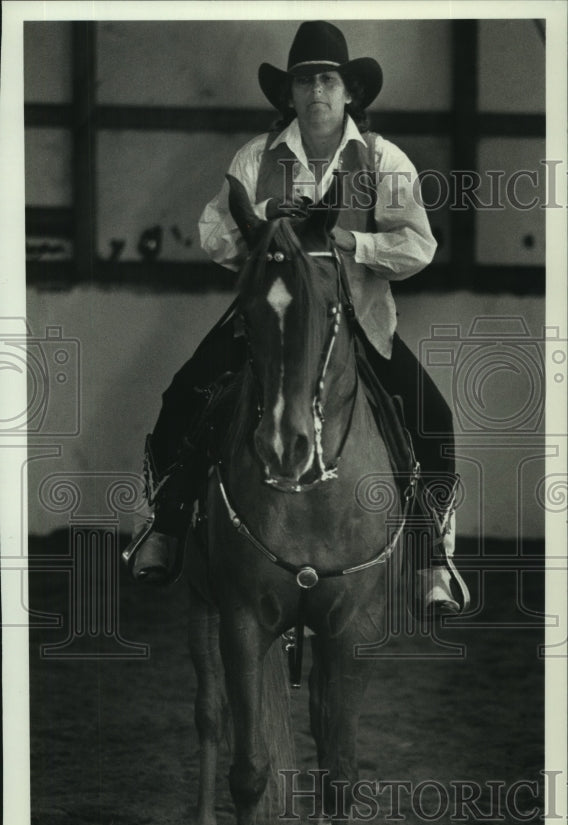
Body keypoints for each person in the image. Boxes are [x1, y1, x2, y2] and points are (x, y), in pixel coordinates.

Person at [123, 20, 470, 619]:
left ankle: (432, 558)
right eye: (306, 81)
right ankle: (168, 525)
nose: (317, 92)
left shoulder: (385, 159)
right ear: (289, 94)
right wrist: (265, 226)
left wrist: (347, 243)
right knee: (185, 396)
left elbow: (418, 246)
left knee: (432, 419)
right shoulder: (257, 158)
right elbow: (213, 235)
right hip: (274, 320)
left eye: (328, 80)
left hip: (358, 321)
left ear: (349, 92)